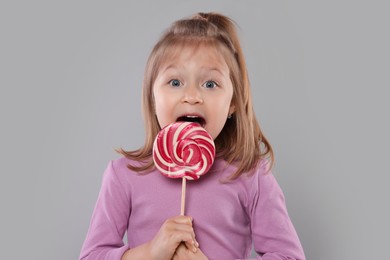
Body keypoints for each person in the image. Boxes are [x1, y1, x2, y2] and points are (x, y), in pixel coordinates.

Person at [79, 12, 305, 260]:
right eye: (175, 82)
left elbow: (289, 256)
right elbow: (91, 256)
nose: (191, 96)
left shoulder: (251, 176)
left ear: (233, 103)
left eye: (210, 84)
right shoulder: (124, 176)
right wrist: (151, 253)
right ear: (152, 97)